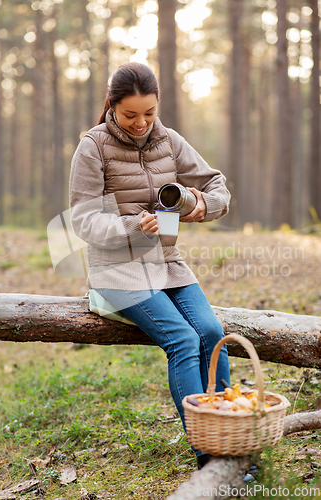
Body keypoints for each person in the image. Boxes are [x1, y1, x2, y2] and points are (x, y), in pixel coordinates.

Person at [69, 62, 231, 469]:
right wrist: (131, 226)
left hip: (168, 263)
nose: (141, 122)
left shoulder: (170, 141)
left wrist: (198, 206)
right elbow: (82, 220)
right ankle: (207, 453)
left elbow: (217, 187)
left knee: (212, 332)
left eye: (149, 113)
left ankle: (231, 433)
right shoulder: (93, 146)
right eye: (130, 115)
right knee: (181, 338)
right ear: (112, 107)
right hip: (114, 269)